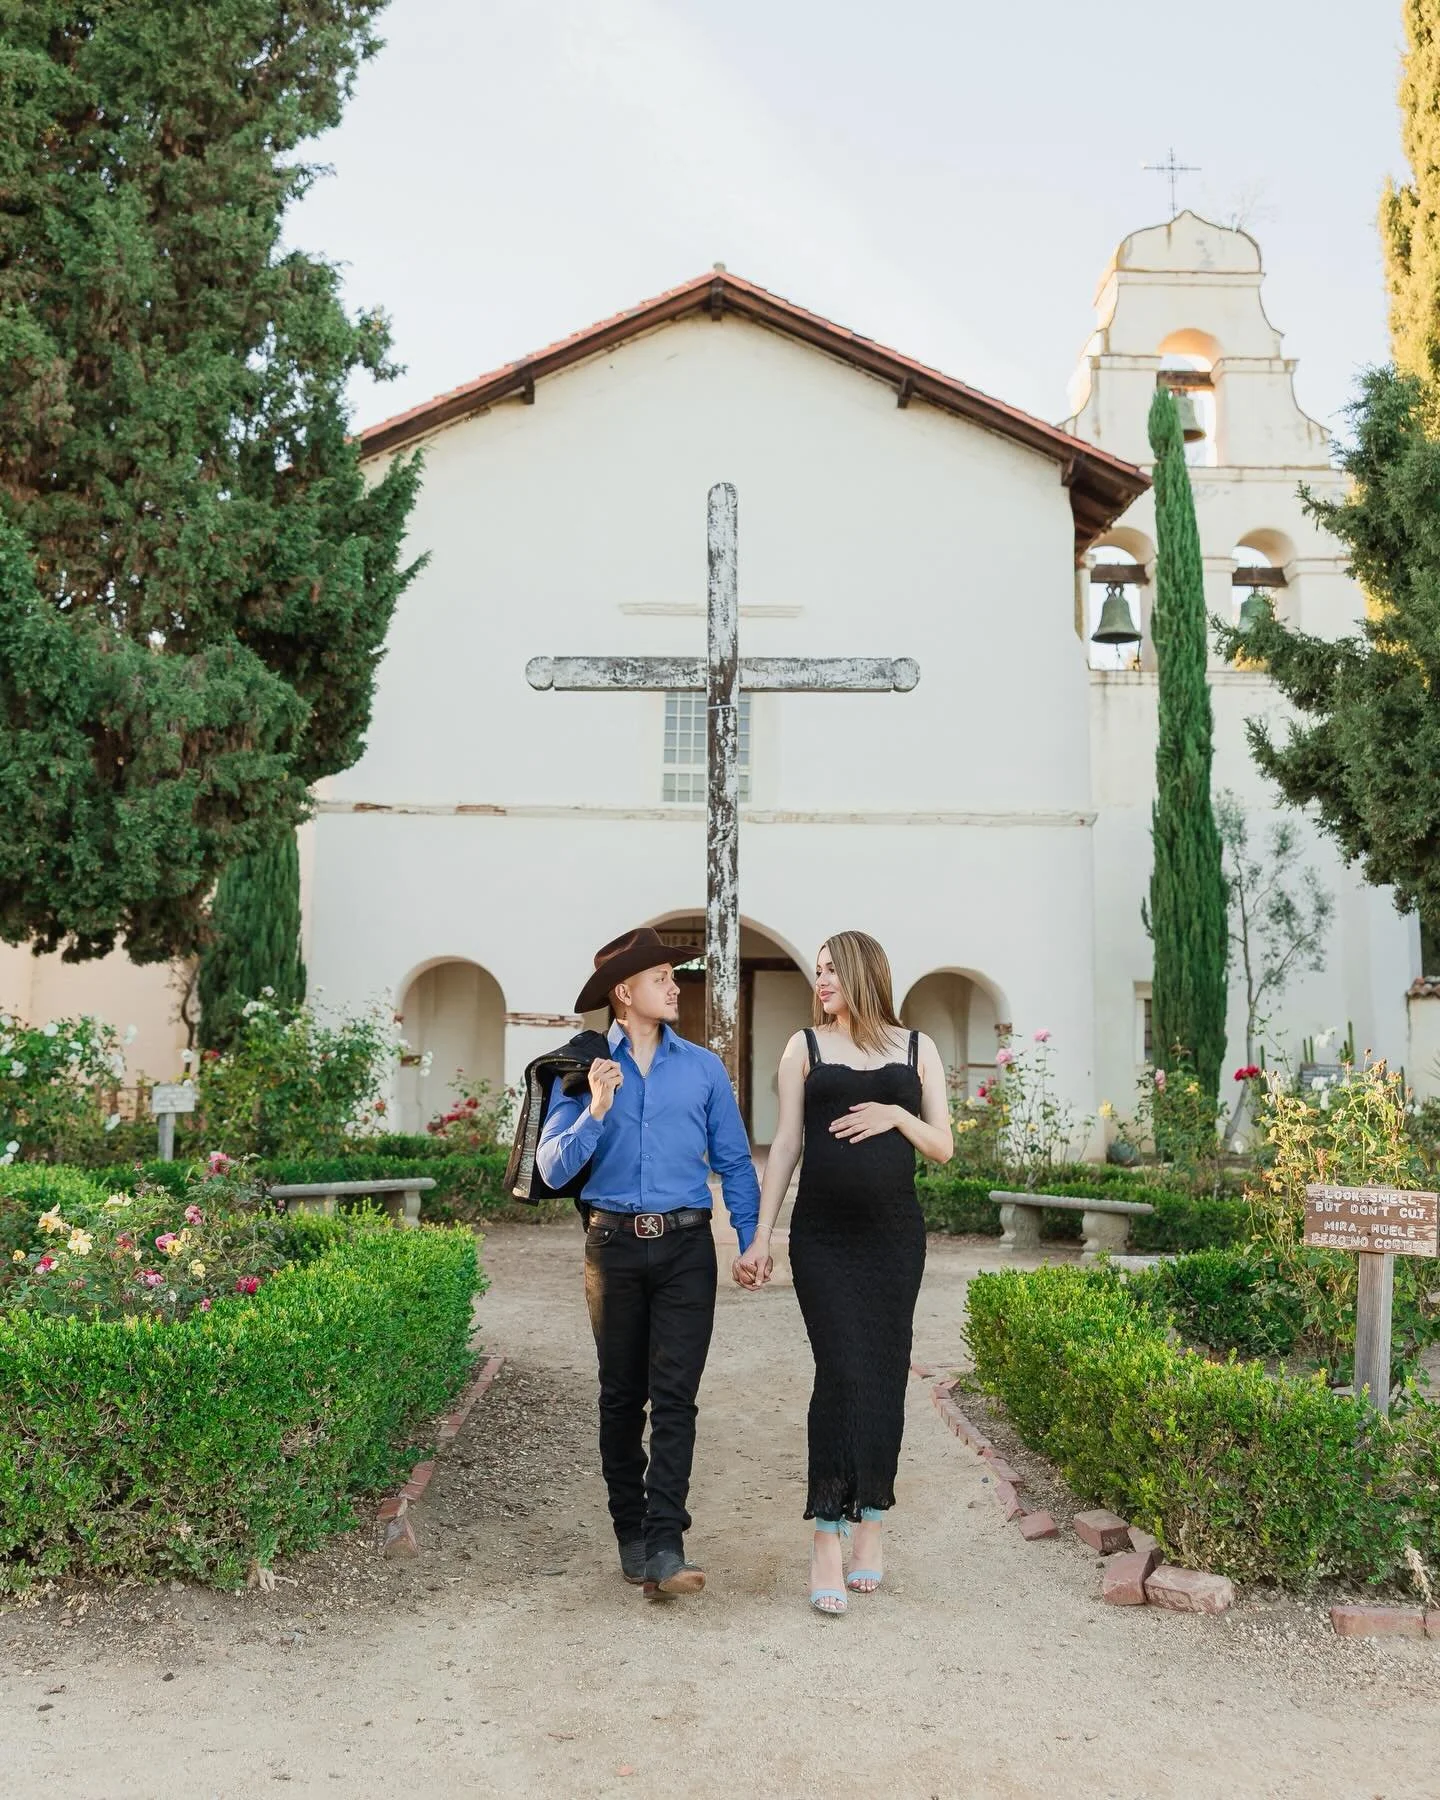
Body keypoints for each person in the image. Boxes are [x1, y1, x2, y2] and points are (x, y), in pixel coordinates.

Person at [537, 926, 760, 1600]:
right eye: (661, 976)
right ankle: (630, 1532)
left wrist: (750, 1238)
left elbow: (733, 1158)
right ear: (623, 993)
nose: (674, 986)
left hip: (688, 1247)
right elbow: (551, 1168)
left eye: (673, 974)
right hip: (612, 1248)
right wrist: (595, 1112)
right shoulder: (580, 1069)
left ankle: (666, 1542)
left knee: (675, 1398)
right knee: (620, 1396)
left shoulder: (703, 1068)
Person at [734, 931, 953, 1615]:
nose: (820, 980)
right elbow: (789, 1144)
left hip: (894, 1240)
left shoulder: (917, 1049)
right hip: (824, 1239)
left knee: (885, 1375)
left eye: (831, 970)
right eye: (817, 971)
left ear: (862, 974)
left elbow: (943, 1145)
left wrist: (897, 1114)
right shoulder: (805, 1047)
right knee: (840, 1375)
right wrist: (760, 1237)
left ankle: (872, 1526)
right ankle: (827, 1532)